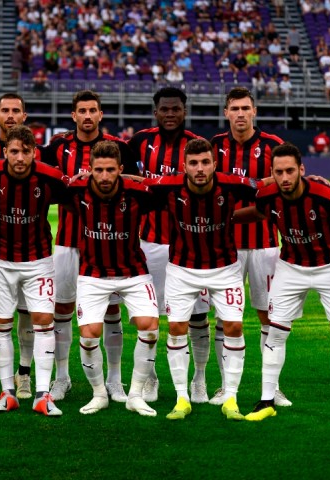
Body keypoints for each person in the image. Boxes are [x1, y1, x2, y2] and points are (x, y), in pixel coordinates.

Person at [235, 143, 330, 426]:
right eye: (279, 172)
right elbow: (260, 213)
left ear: (301, 170)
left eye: (290, 171)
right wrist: (229, 218)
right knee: (275, 333)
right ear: (272, 173)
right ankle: (267, 401)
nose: (284, 178)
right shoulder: (268, 194)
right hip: (290, 268)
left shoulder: (324, 194)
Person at [146, 138, 263, 421]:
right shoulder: (169, 186)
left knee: (234, 325)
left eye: (205, 162)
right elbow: (136, 184)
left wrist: (233, 217)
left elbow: (265, 196)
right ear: (184, 166)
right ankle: (182, 398)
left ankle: (231, 398)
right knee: (176, 327)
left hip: (225, 268)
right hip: (182, 268)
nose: (200, 169)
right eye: (194, 163)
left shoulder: (234, 184)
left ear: (214, 164)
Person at [0, 125, 68, 416]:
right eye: (14, 151)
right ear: (5, 151)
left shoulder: (51, 177)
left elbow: (77, 199)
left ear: (34, 152)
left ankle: (42, 395)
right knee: (1, 323)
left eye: (25, 151)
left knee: (43, 320)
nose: (19, 157)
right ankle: (7, 392)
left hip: (38, 260)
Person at [42, 90, 139, 403]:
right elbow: (42, 179)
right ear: (73, 115)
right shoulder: (58, 146)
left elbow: (137, 185)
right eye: (81, 110)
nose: (87, 116)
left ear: (100, 114)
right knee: (62, 310)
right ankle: (61, 378)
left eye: (92, 110)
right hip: (68, 242)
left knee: (111, 312)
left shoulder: (118, 148)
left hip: (109, 244)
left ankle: (114, 380)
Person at [65, 141, 161, 417]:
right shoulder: (75, 191)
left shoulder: (136, 192)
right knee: (89, 334)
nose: (105, 176)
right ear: (90, 170)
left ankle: (135, 395)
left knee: (150, 328)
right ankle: (99, 395)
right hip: (93, 273)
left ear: (120, 169)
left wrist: (133, 177)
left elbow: (162, 187)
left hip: (133, 271)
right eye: (98, 170)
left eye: (110, 170)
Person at [209, 87, 292, 407]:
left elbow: (287, 182)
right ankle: (222, 387)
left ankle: (273, 388)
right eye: (234, 108)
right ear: (226, 113)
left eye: (246, 108)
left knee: (267, 316)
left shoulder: (273, 146)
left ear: (254, 111)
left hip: (265, 245)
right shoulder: (215, 146)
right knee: (224, 317)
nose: (240, 114)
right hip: (224, 247)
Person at [128, 87, 208, 404]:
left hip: (190, 245)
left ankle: (199, 380)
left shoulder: (198, 145)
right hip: (149, 244)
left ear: (184, 110)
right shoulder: (139, 142)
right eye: (165, 109)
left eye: (176, 108)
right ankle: (150, 379)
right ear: (156, 111)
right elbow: (125, 178)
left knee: (197, 317)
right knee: (149, 317)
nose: (170, 113)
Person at [0, 93, 39, 401]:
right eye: (5, 110)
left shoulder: (35, 154)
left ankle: (24, 375)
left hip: (32, 251)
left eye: (16, 110)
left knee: (27, 315)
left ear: (24, 116)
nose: (11, 115)